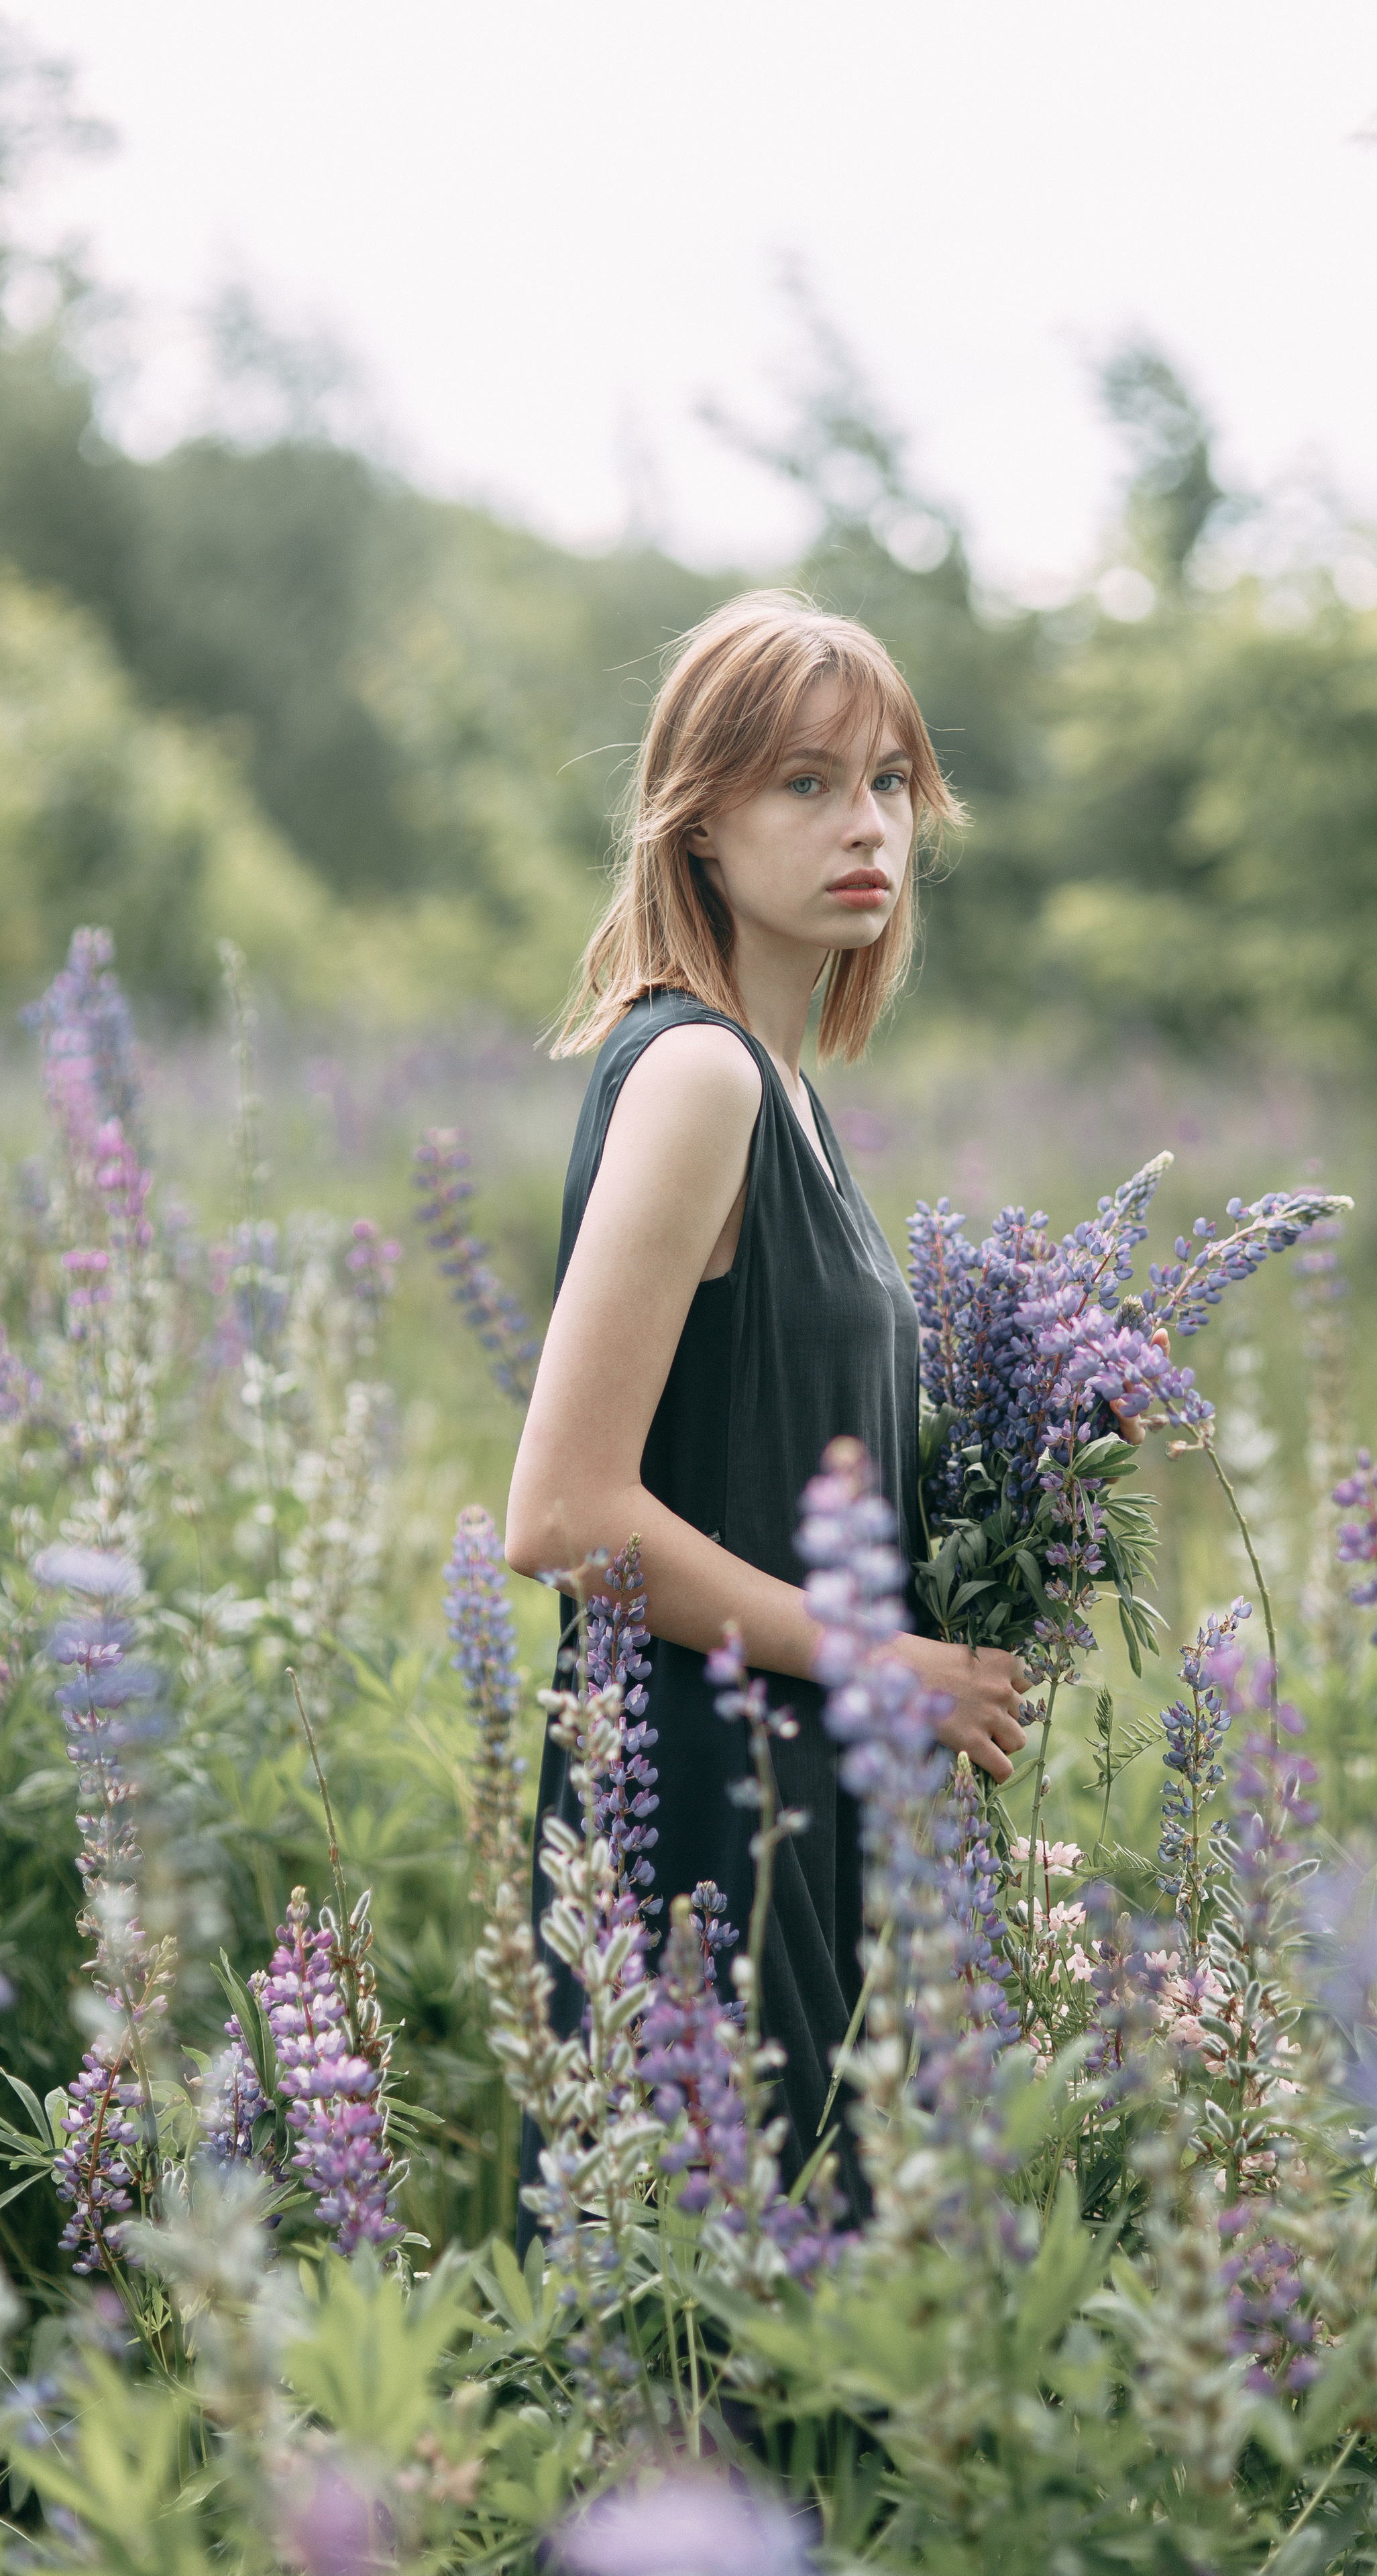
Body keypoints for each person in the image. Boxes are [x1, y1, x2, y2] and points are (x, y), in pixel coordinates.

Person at [504, 588, 1035, 2218]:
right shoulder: (699, 1077)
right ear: (701, 827)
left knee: (825, 2386)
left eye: (885, 783)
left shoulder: (785, 1097)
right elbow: (564, 1516)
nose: (862, 824)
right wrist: (898, 1670)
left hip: (805, 1812)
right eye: (803, 785)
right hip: (699, 1828)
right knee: (720, 2373)